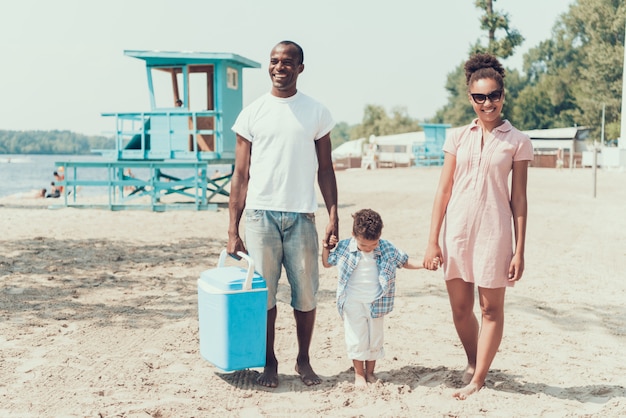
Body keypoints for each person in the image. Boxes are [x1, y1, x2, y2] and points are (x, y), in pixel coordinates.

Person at [227, 40, 338, 388]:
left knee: (305, 294)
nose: (280, 67)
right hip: (260, 216)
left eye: (288, 62)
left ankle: (304, 360)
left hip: (302, 216)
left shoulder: (316, 112)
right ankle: (269, 361)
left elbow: (326, 170)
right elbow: (240, 175)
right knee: (264, 294)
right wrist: (232, 228)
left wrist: (333, 214)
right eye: (274, 61)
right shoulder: (252, 113)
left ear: (300, 68)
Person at [422, 53, 533, 400]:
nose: (488, 104)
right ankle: (474, 361)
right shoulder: (457, 137)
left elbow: (519, 200)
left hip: (495, 233)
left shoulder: (518, 141)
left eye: (494, 95)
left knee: (490, 309)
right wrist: (432, 241)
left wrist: (519, 250)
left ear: (503, 95)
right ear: (470, 98)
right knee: (459, 307)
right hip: (456, 231)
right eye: (480, 97)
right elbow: (443, 189)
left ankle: (478, 379)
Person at [322, 209, 434, 388]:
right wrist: (326, 246)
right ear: (353, 235)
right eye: (364, 245)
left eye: (373, 245)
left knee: (375, 338)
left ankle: (370, 372)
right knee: (357, 338)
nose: (369, 248)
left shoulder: (386, 247)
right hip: (352, 302)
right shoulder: (343, 247)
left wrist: (424, 264)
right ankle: (359, 374)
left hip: (377, 302)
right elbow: (327, 263)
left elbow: (404, 261)